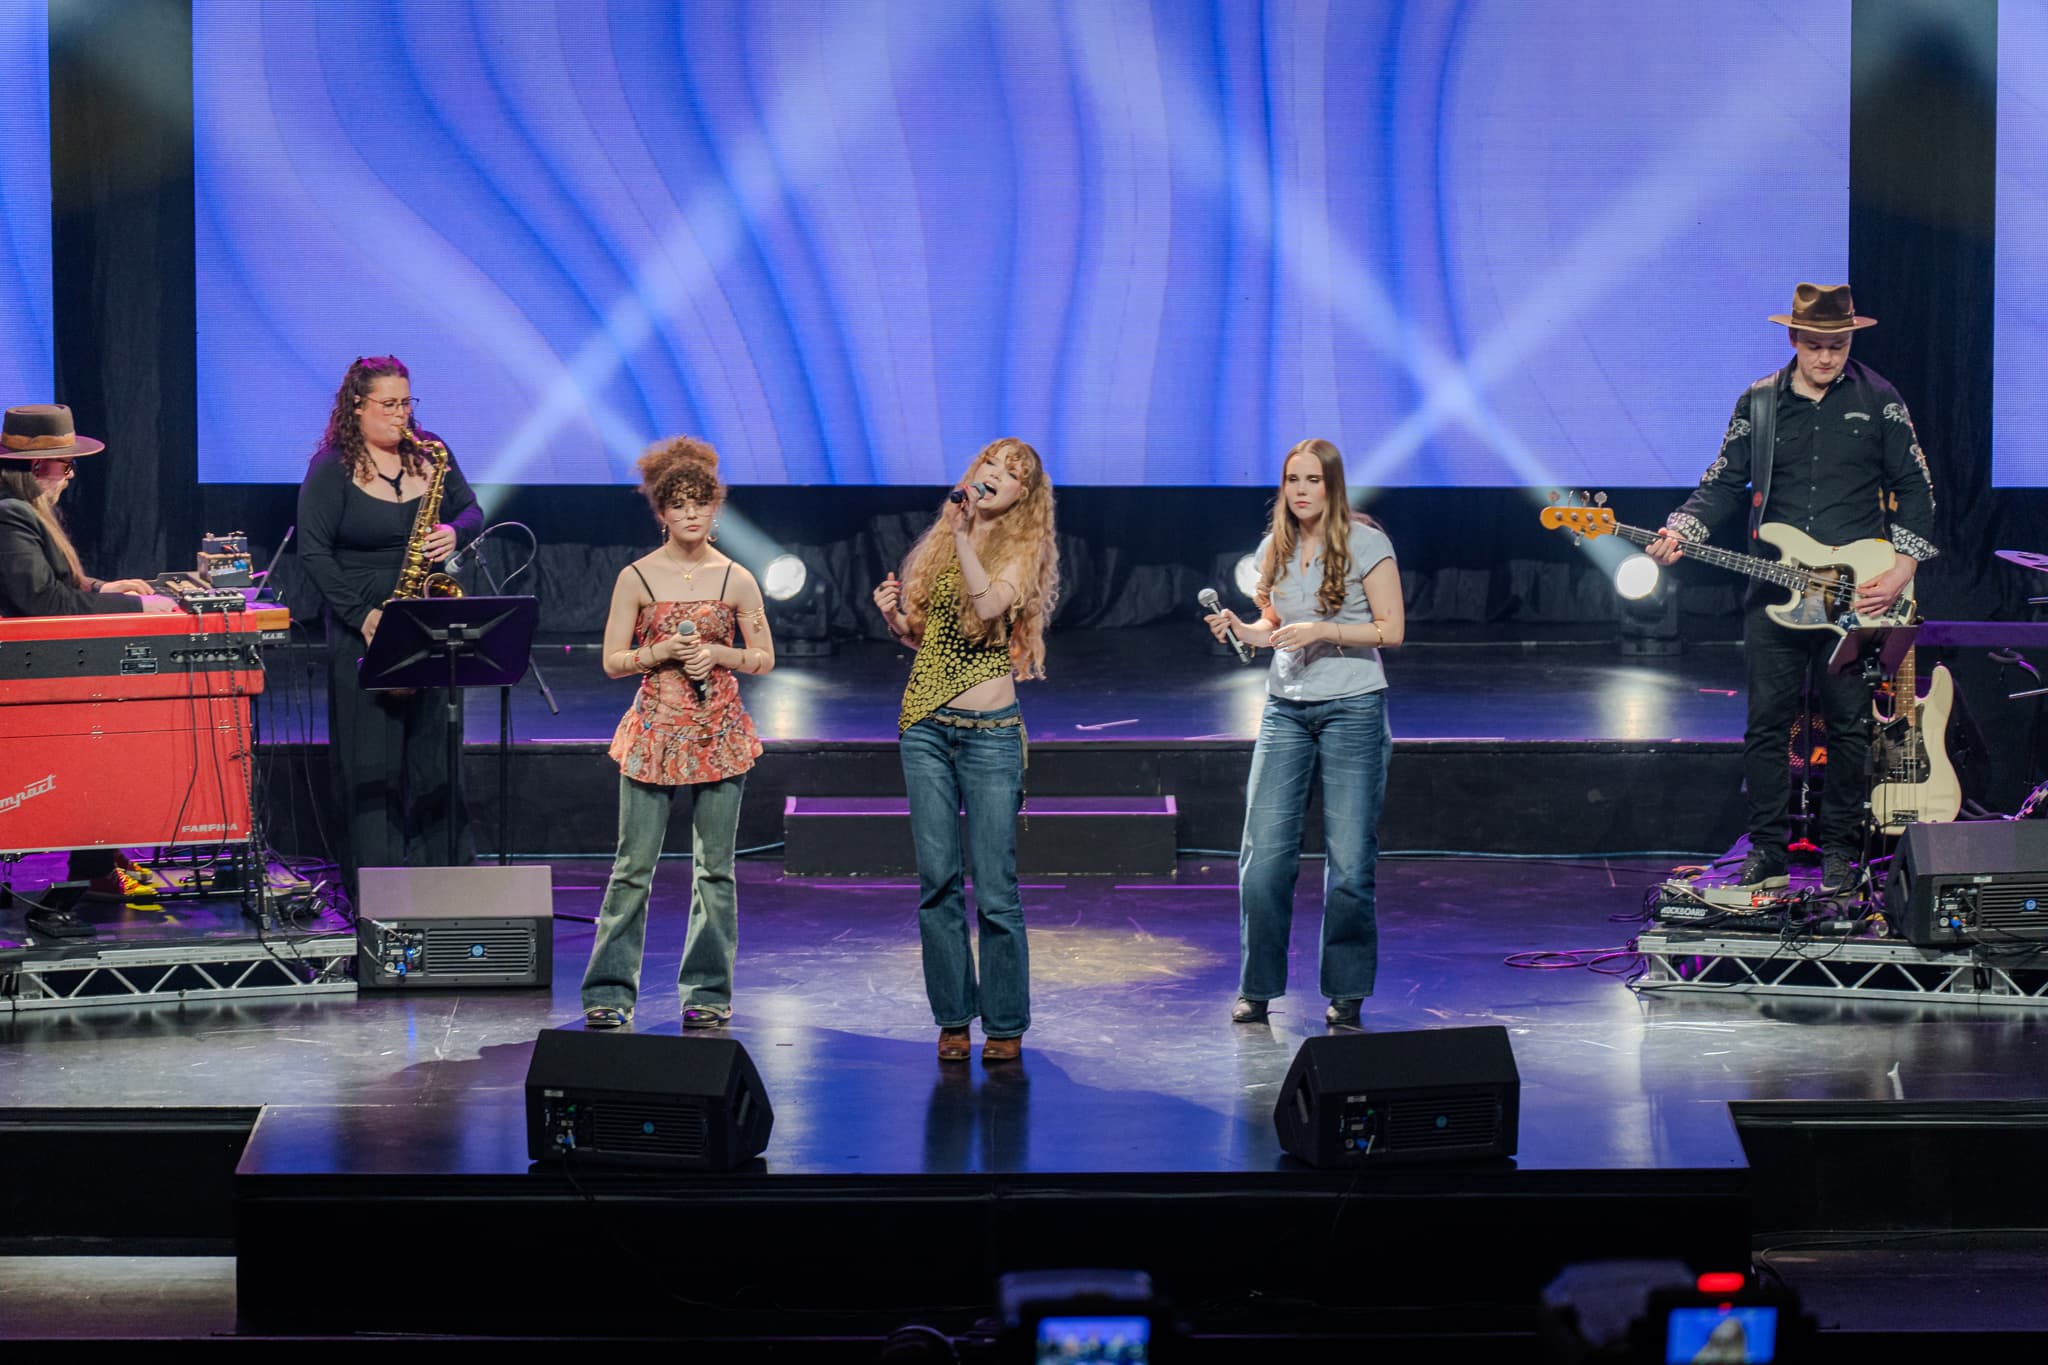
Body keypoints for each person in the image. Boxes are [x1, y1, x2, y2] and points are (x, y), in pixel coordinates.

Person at [1646, 284, 1937, 896]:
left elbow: (1916, 485)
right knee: (1766, 726)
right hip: (1774, 590)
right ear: (1793, 339)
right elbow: (1722, 481)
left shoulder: (1880, 399)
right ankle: (1768, 851)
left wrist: (1902, 569)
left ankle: (1841, 854)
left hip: (1855, 595)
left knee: (1850, 726)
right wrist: (1682, 528)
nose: (1826, 357)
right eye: (1814, 345)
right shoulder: (1758, 401)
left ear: (1850, 340)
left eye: (1838, 346)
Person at [871, 438, 1059, 1063]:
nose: (995, 475)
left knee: (996, 889)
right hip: (925, 724)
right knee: (937, 881)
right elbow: (931, 637)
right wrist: (896, 620)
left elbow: (988, 605)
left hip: (990, 734)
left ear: (1024, 494)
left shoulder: (1022, 548)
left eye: (1011, 473)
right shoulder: (943, 539)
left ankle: (1004, 1023)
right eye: (990, 464)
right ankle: (953, 1018)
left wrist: (962, 537)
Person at [1204, 438, 1403, 1028]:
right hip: (1285, 709)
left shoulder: (1367, 543)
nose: (1301, 490)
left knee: (1350, 863)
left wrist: (1324, 630)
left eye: (1313, 479)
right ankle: (1258, 987)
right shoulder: (1276, 546)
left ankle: (1346, 991)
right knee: (1263, 858)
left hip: (1353, 706)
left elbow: (1391, 630)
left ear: (1332, 485)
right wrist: (1245, 628)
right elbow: (1275, 624)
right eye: (1293, 479)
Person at [580, 437, 774, 1030]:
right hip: (655, 732)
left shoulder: (736, 578)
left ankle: (707, 993)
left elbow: (763, 657)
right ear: (661, 512)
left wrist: (718, 653)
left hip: (718, 732)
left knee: (715, 870)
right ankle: (609, 992)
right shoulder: (637, 577)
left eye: (701, 503)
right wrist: (660, 651)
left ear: (716, 508)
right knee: (632, 868)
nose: (691, 515)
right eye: (679, 505)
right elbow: (613, 660)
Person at [296, 357, 482, 899]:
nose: (402, 415)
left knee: (434, 754)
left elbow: (472, 510)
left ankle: (446, 888)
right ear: (357, 406)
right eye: (390, 404)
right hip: (364, 624)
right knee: (371, 761)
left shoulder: (431, 452)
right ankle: (377, 895)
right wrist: (363, 616)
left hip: (426, 618)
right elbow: (314, 552)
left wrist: (454, 531)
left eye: (407, 402)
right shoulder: (331, 468)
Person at [0, 404, 177, 904]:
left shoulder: (23, 510)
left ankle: (99, 860)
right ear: (38, 466)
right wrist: (139, 607)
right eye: (66, 463)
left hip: (38, 666)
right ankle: (94, 866)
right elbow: (43, 600)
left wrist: (102, 587)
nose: (71, 474)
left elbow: (55, 580)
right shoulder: (9, 513)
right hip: (24, 674)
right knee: (93, 750)